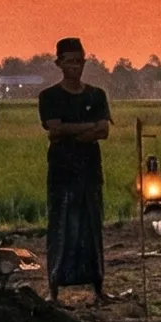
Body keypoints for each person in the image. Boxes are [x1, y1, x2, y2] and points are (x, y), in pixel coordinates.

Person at [38, 37, 112, 302]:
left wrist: (68, 131)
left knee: (92, 227)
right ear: (59, 63)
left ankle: (98, 286)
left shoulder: (96, 94)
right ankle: (55, 288)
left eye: (79, 61)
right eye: (69, 61)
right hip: (61, 173)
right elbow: (53, 127)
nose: (75, 66)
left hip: (90, 171)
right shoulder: (49, 96)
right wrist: (87, 128)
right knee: (61, 227)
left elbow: (103, 130)